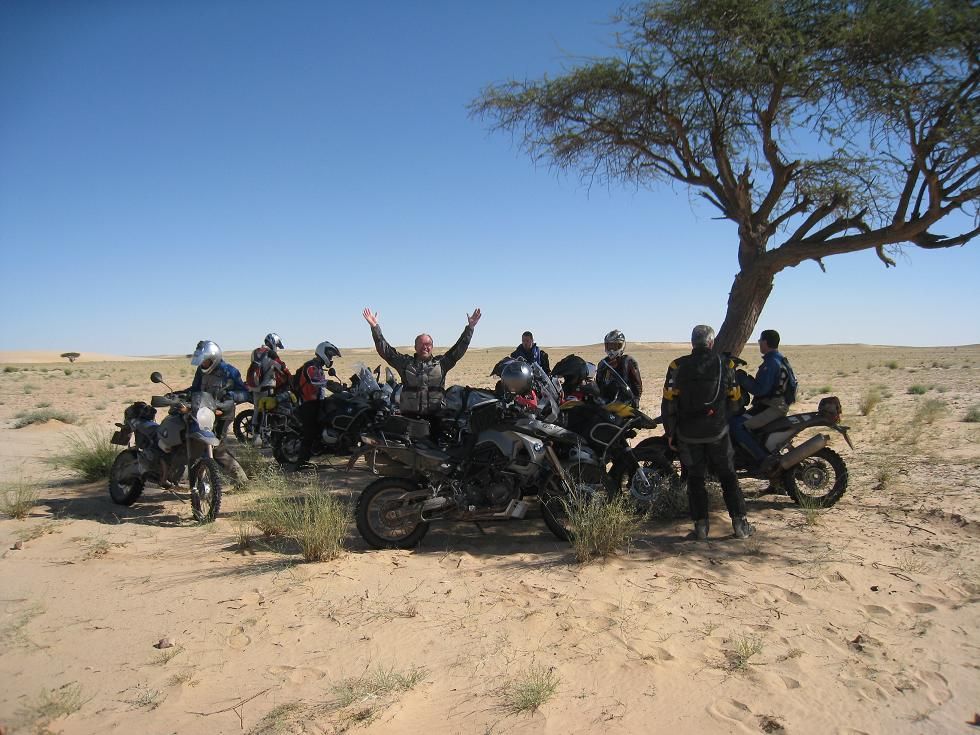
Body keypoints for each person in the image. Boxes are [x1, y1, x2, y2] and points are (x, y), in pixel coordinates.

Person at [662, 325, 753, 540]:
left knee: (695, 479)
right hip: (718, 432)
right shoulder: (725, 364)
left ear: (693, 343)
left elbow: (669, 402)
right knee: (728, 476)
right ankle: (740, 526)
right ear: (711, 343)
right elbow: (735, 399)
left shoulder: (677, 366)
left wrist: (670, 432)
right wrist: (723, 416)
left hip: (688, 433)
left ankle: (701, 529)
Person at [362, 306, 482, 418]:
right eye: (421, 344)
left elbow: (459, 349)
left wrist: (470, 328)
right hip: (410, 419)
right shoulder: (405, 363)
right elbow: (386, 352)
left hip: (437, 418)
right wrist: (374, 327)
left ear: (432, 347)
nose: (425, 347)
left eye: (428, 344)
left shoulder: (442, 363)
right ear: (415, 347)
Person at [188, 340, 249, 484]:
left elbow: (244, 393)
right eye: (201, 360)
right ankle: (198, 482)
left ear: (213, 358)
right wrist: (179, 395)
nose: (202, 363)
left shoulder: (229, 371)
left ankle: (242, 481)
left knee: (218, 449)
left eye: (205, 360)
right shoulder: (201, 371)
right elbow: (195, 389)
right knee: (196, 443)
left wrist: (229, 396)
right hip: (203, 411)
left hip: (222, 413)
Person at [731, 329, 796, 463]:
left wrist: (742, 378)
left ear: (765, 342)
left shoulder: (772, 363)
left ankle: (763, 459)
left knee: (736, 425)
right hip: (774, 404)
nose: (759, 343)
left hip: (773, 407)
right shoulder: (779, 359)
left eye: (760, 340)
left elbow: (760, 390)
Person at [293, 341, 342, 467]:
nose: (331, 358)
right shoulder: (311, 366)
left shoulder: (318, 367)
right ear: (323, 353)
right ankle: (301, 463)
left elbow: (320, 382)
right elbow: (315, 381)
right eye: (330, 355)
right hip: (308, 403)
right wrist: (329, 384)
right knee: (310, 432)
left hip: (317, 401)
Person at [245, 333, 293, 444]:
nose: (277, 348)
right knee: (267, 412)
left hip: (254, 386)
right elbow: (281, 367)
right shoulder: (271, 354)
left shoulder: (255, 352)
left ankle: (255, 436)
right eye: (277, 345)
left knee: (257, 410)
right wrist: (289, 376)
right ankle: (265, 438)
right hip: (267, 386)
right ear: (274, 343)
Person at [596, 329, 642, 406]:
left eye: (615, 346)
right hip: (604, 403)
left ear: (621, 346)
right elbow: (598, 383)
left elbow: (637, 384)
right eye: (609, 346)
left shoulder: (628, 361)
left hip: (623, 403)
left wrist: (636, 399)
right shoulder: (603, 363)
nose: (611, 350)